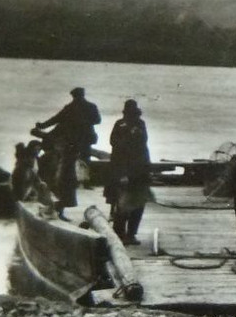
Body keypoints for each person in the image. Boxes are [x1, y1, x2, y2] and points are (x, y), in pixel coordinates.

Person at [34, 87, 101, 217]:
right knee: (72, 177)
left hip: (72, 147)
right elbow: (97, 120)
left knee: (67, 177)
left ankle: (60, 206)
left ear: (73, 96)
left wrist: (42, 126)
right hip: (83, 146)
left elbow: (56, 119)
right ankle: (64, 203)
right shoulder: (90, 107)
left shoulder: (70, 108)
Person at [107, 100, 152, 245]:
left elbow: (143, 142)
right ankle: (120, 233)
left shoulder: (140, 125)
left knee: (137, 204)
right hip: (124, 170)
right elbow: (114, 143)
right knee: (122, 204)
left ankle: (131, 234)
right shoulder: (120, 125)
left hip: (138, 171)